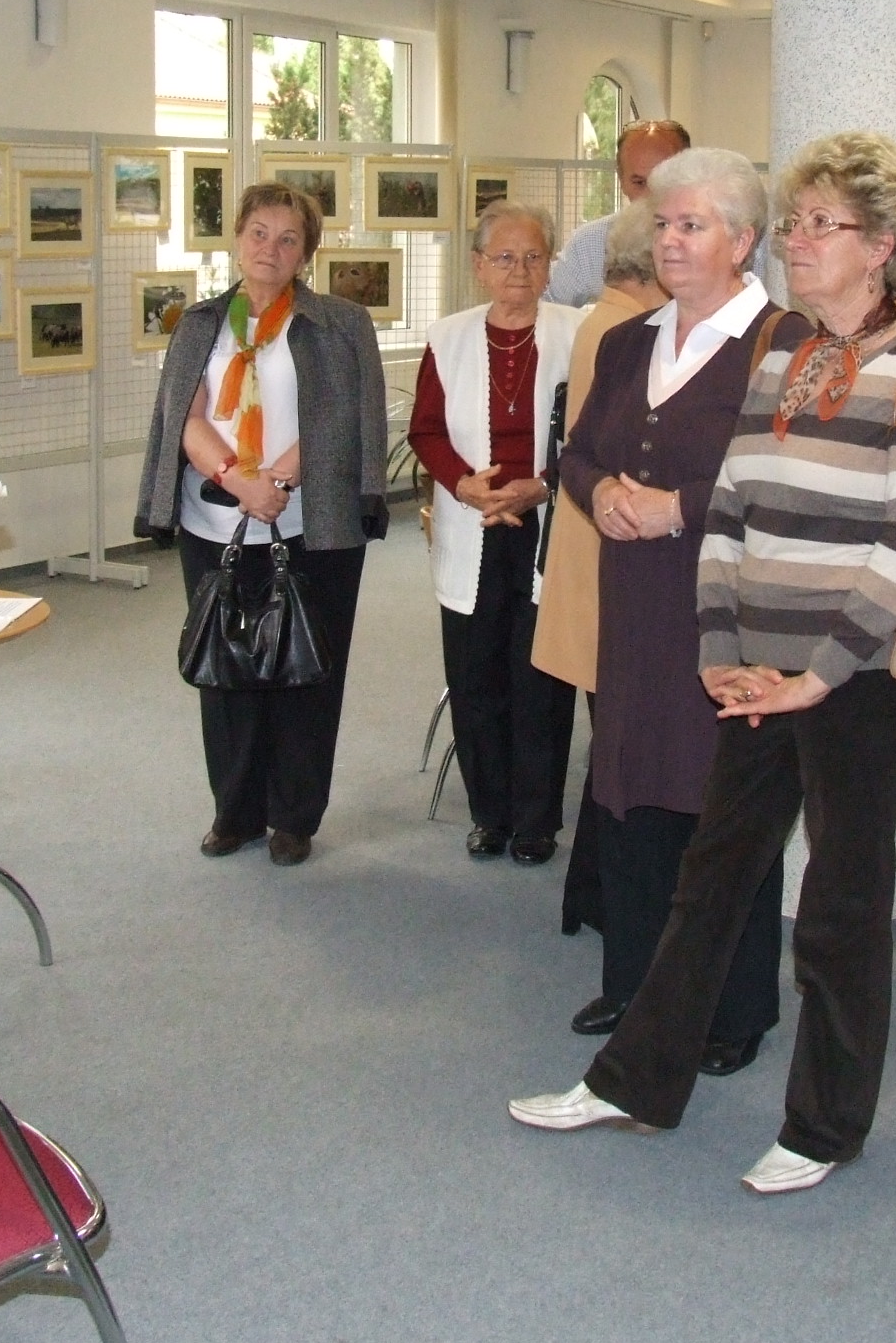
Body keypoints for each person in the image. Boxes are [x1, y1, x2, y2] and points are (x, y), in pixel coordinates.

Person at [512, 131, 896, 1195]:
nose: (796, 242)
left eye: (820, 226)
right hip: (757, 668)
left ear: (883, 247)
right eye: (794, 222)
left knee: (841, 910)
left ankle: (823, 1126)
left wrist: (823, 670)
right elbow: (729, 513)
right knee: (711, 881)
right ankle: (636, 1081)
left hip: (858, 684)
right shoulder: (785, 358)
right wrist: (721, 647)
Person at [549, 152, 787, 1072]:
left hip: (728, 609)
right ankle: (635, 982)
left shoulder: (782, 346)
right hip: (634, 606)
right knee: (629, 787)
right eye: (662, 224)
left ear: (744, 240)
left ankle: (732, 1010)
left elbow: (788, 482)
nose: (671, 241)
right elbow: (575, 453)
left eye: (693, 225)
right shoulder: (626, 341)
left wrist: (678, 507)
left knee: (720, 806)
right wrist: (602, 489)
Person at [136, 182, 391, 866]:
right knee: (226, 671)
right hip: (215, 525)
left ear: (307, 252)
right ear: (237, 239)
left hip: (315, 525)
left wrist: (276, 479)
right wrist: (237, 479)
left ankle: (294, 817)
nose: (269, 249)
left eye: (287, 238)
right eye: (258, 232)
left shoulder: (341, 323)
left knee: (307, 673)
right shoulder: (199, 323)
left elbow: (347, 417)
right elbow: (183, 417)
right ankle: (235, 812)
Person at [411, 202, 583, 862]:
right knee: (475, 674)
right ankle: (489, 813)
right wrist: (463, 484)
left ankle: (537, 821)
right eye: (505, 257)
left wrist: (543, 482)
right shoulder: (447, 337)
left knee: (541, 679)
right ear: (479, 266)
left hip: (547, 522)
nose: (520, 270)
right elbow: (426, 429)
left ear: (550, 267)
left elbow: (596, 430)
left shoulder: (579, 333)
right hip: (472, 522)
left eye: (534, 257)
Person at [531, 202, 663, 932]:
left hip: (592, 554)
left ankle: (590, 895)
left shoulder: (600, 321)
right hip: (610, 557)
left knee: (612, 742)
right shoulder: (628, 332)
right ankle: (603, 898)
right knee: (621, 748)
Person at [546, 117, 690, 305]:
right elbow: (548, 310)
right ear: (621, 180)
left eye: (664, 181)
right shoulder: (589, 245)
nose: (651, 195)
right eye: (639, 183)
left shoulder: (716, 241)